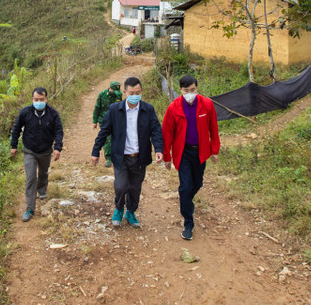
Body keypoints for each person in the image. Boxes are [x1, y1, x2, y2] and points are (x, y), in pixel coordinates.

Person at [91, 76, 163, 229]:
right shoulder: (115, 110)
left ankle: (131, 211)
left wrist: (158, 149)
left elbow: (156, 130)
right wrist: (96, 150)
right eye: (131, 93)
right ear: (124, 92)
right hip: (121, 157)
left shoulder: (147, 109)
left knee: (135, 187)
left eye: (138, 92)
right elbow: (104, 131)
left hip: (139, 157)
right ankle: (118, 208)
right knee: (121, 186)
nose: (135, 96)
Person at [162, 74, 220, 241]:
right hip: (183, 153)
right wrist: (167, 156)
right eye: (186, 90)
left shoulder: (207, 105)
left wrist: (214, 150)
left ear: (197, 88)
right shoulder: (173, 108)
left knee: (198, 183)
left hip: (201, 152)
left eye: (193, 90)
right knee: (185, 186)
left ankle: (186, 200)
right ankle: (188, 223)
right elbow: (167, 133)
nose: (190, 93)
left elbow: (213, 128)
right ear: (180, 90)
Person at [10, 87, 64, 222]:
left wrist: (57, 148)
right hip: (30, 150)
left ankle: (42, 188)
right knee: (31, 177)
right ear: (32, 99)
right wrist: (13, 145)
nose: (39, 102)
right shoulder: (25, 112)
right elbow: (16, 129)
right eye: (36, 99)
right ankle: (30, 208)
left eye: (41, 99)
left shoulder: (53, 114)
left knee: (44, 172)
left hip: (46, 150)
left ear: (46, 99)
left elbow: (58, 131)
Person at [92, 80, 122, 167]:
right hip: (103, 119)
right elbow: (97, 108)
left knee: (115, 137)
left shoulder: (118, 95)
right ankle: (109, 158)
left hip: (115, 119)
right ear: (109, 88)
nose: (115, 93)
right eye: (113, 90)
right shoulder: (102, 95)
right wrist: (95, 121)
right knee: (107, 139)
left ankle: (116, 155)